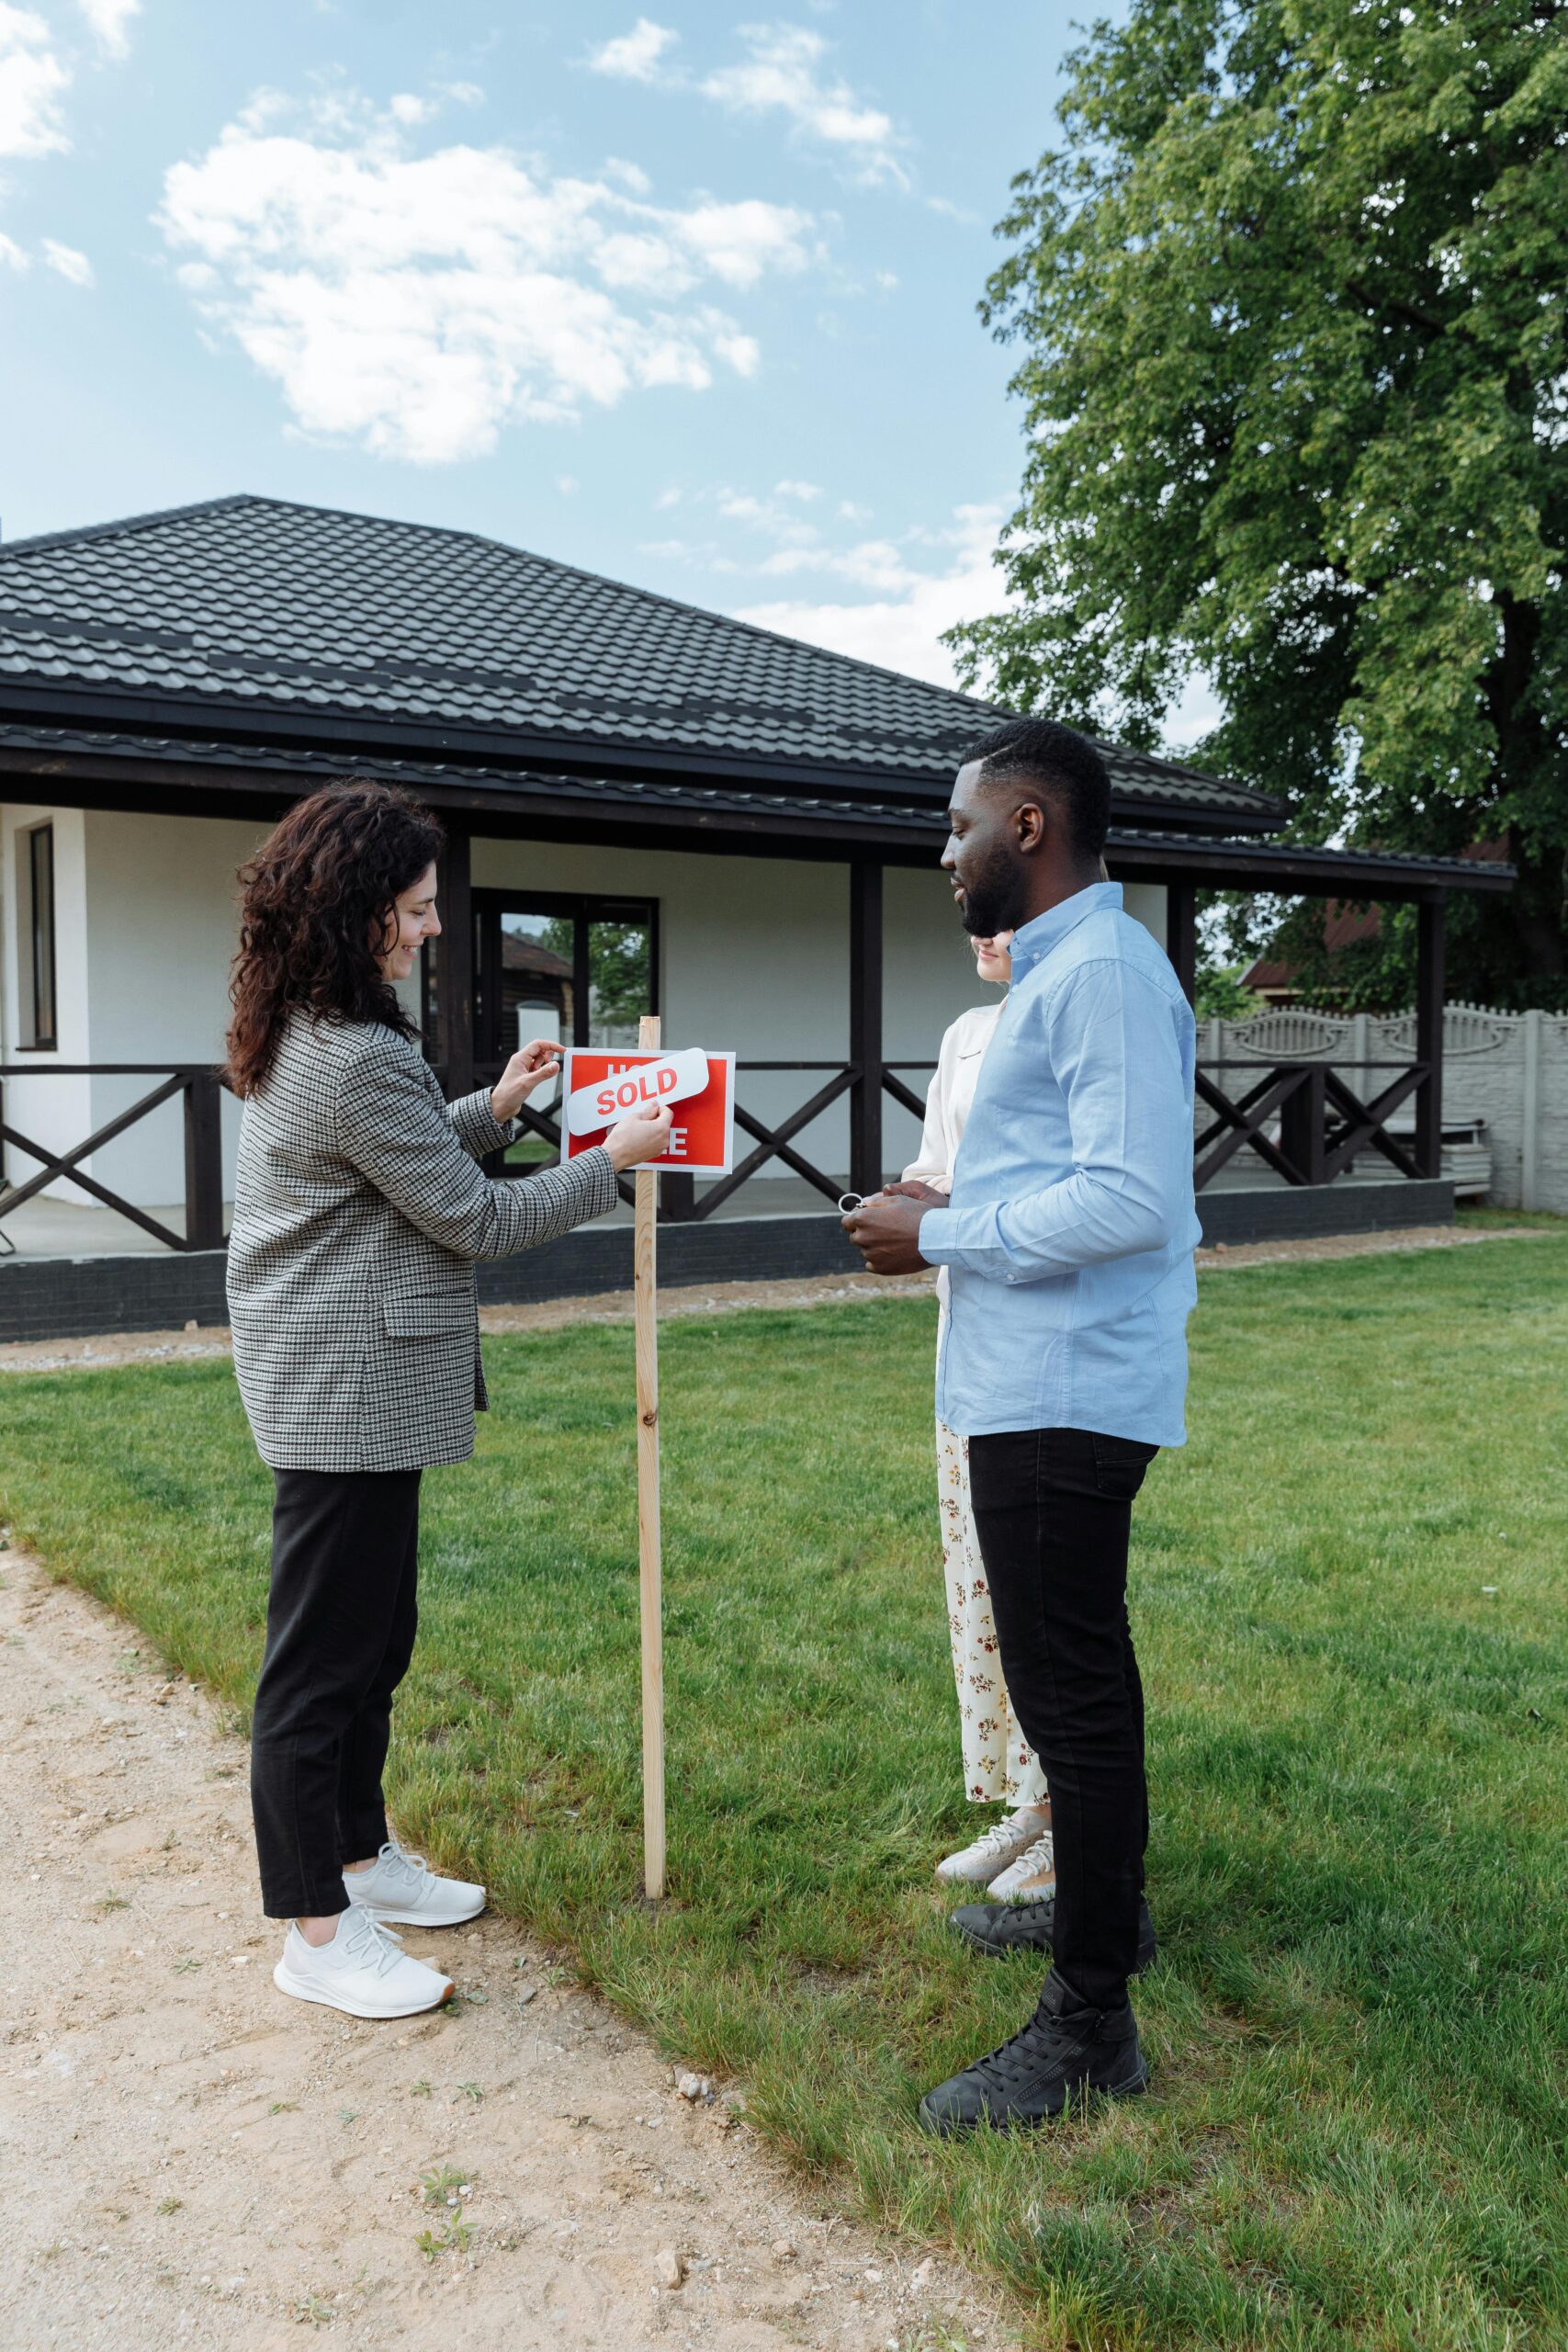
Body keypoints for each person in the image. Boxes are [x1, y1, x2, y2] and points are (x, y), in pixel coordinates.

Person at [225, 780, 671, 2023]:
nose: (433, 928)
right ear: (359, 910)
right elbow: (471, 1219)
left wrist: (503, 1105)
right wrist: (606, 1161)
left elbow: (407, 1152)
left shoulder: (318, 1031)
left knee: (373, 1642)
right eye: (418, 909)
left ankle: (363, 1858)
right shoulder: (352, 1053)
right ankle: (315, 1925)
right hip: (341, 1383)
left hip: (346, 1375)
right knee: (317, 1671)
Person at [844, 718, 1200, 2133]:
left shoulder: (1102, 974)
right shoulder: (1067, 973)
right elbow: (1070, 1173)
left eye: (958, 827)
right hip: (1025, 1380)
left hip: (1062, 1392)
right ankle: (1094, 1935)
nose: (945, 854)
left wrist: (942, 1236)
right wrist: (946, 1217)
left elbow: (1129, 1201)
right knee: (1069, 1694)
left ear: (1029, 829)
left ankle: (1087, 2023)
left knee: (1071, 1698)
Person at [903, 934, 1055, 1904]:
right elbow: (936, 1169)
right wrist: (902, 1202)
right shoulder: (963, 1034)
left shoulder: (1079, 1022)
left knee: (1045, 1595)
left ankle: (1071, 1821)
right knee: (983, 1583)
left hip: (1047, 1347)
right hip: (966, 1335)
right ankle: (1028, 1806)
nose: (982, 929)